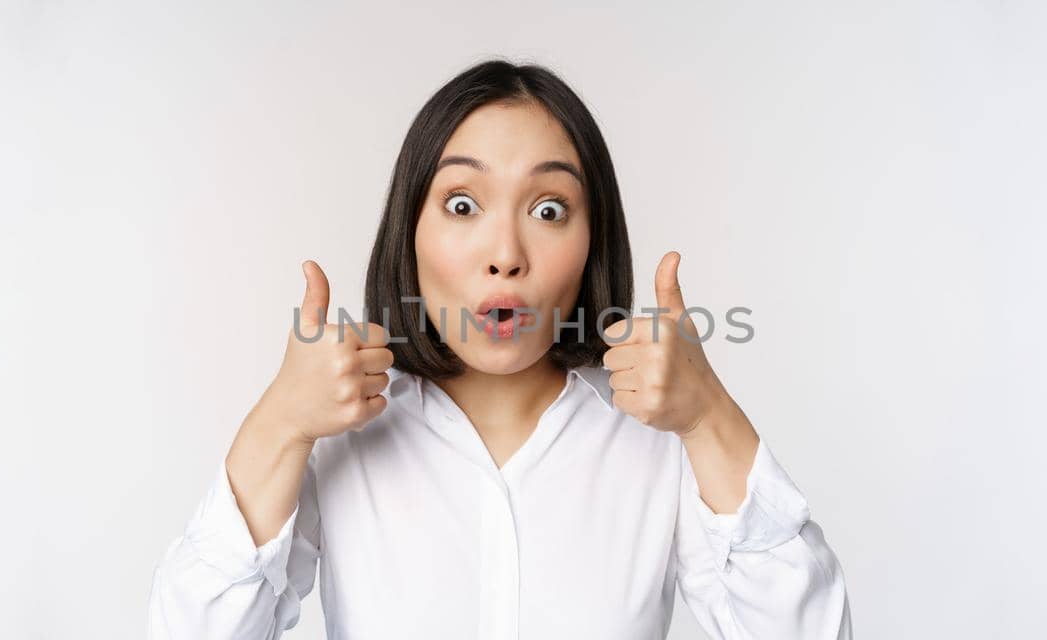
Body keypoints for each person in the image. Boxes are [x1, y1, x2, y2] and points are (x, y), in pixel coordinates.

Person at [147, 59, 852, 639]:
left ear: (591, 242)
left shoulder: (657, 443)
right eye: (462, 204)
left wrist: (710, 419)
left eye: (549, 210)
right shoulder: (341, 437)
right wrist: (278, 425)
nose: (506, 255)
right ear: (409, 230)